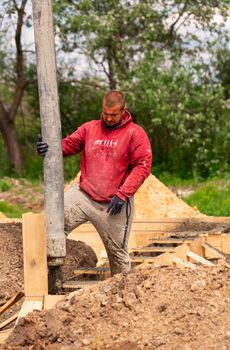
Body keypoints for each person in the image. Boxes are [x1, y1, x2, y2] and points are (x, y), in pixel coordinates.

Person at [36, 90, 152, 275]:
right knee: (49, 225)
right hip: (83, 197)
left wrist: (123, 194)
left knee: (118, 257)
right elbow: (67, 146)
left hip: (114, 204)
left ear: (123, 111)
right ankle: (50, 279)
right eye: (106, 113)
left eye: (113, 114)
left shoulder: (134, 134)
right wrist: (48, 147)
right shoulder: (90, 128)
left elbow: (142, 166)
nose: (109, 118)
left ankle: (121, 295)